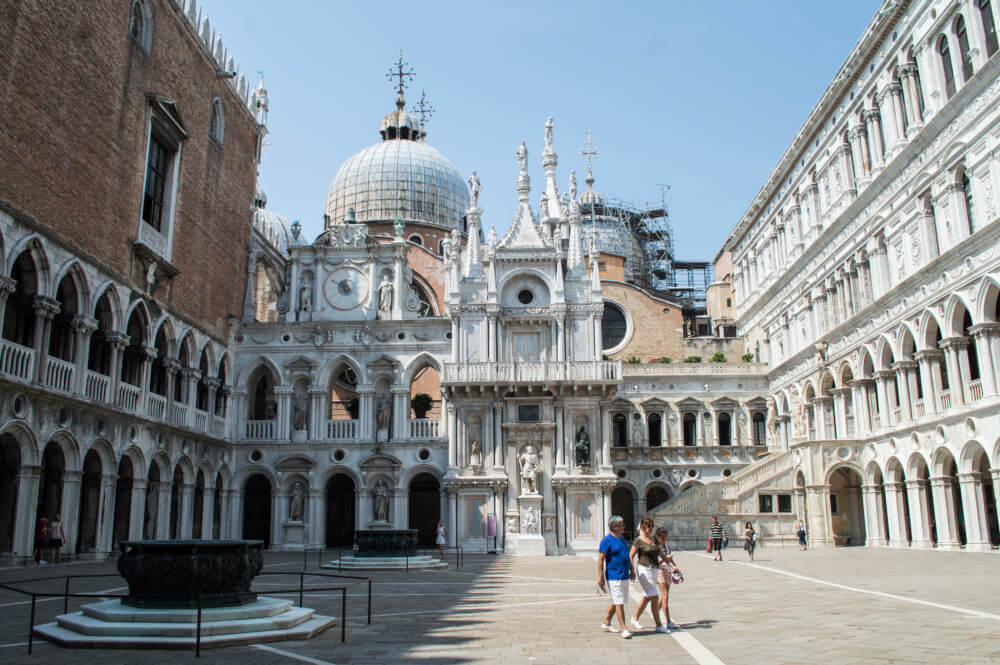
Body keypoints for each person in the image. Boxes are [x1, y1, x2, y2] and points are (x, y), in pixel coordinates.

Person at [598, 515, 635, 639]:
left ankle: (606, 623)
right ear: (615, 526)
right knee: (619, 602)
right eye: (622, 524)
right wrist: (601, 577)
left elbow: (627, 554)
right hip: (614, 575)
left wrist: (632, 570)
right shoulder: (606, 540)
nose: (624, 526)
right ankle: (624, 628)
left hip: (624, 574)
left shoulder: (621, 538)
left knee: (617, 600)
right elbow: (600, 559)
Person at [629, 517, 667, 634]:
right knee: (654, 596)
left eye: (651, 526)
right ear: (643, 527)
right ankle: (659, 625)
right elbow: (630, 555)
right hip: (643, 570)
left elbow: (661, 554)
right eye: (648, 526)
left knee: (647, 596)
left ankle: (635, 618)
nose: (650, 528)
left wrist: (672, 565)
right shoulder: (638, 540)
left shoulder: (655, 540)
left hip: (654, 570)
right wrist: (632, 570)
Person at [654, 526, 682, 631]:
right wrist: (664, 559)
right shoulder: (655, 547)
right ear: (657, 537)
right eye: (662, 537)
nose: (664, 539)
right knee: (665, 596)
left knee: (664, 596)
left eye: (665, 537)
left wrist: (676, 568)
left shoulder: (666, 546)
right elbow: (655, 562)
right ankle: (668, 621)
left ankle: (655, 612)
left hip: (668, 571)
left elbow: (670, 561)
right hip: (660, 571)